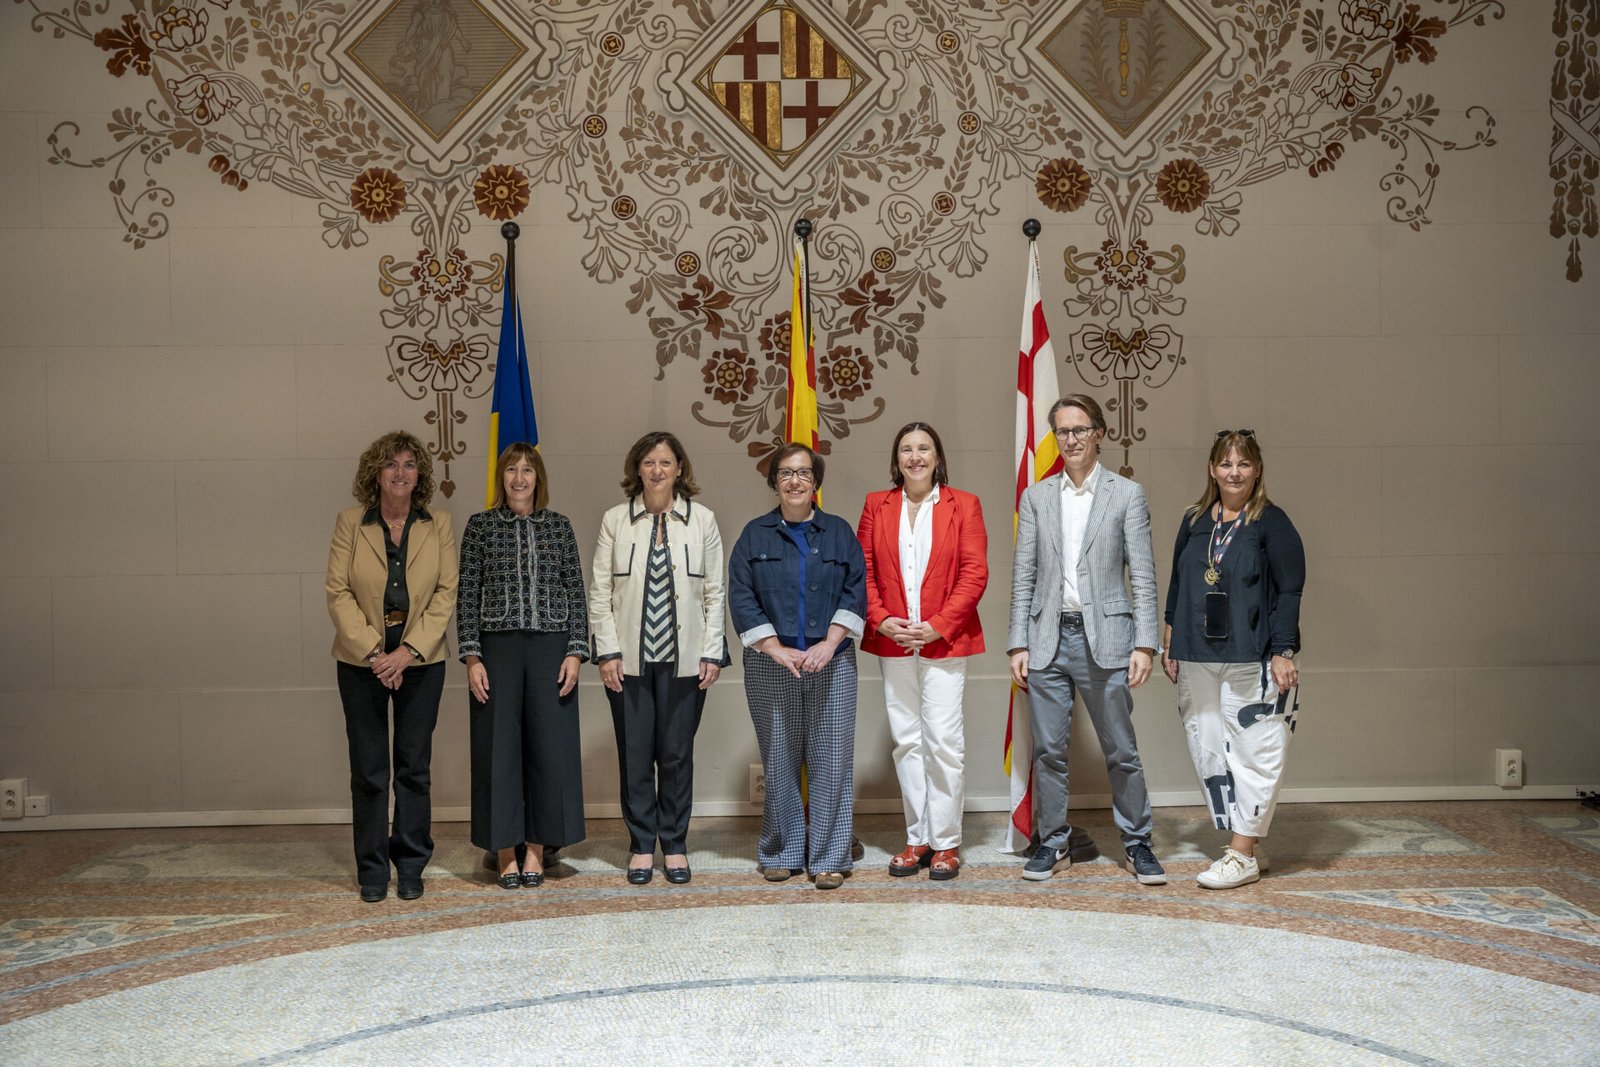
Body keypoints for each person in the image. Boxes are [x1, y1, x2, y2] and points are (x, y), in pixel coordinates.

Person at [1007, 394, 1166, 885]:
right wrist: (1018, 642)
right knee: (1049, 752)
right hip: (1047, 640)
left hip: (1109, 640)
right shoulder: (1037, 497)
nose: (1071, 439)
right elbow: (1024, 576)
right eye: (1062, 431)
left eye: (1079, 429)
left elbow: (1143, 575)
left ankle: (1138, 844)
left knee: (1122, 751)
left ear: (1098, 433)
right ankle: (1054, 843)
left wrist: (1145, 644)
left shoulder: (1127, 494)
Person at [1161, 430, 1304, 889]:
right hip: (1197, 655)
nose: (1234, 472)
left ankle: (1241, 854)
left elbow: (1290, 589)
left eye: (1243, 464)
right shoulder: (1194, 519)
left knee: (1256, 750)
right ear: (1212, 469)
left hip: (1252, 655)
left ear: (1257, 470)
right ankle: (1247, 843)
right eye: (1226, 463)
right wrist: (1170, 634)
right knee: (1209, 751)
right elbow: (1179, 581)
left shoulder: (1271, 521)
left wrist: (1283, 650)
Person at [590, 431, 728, 885]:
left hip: (685, 661)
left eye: (665, 462)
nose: (657, 470)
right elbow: (600, 593)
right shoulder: (615, 520)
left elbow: (714, 592)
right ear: (637, 469)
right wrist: (607, 651)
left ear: (679, 469)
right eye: (648, 462)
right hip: (628, 661)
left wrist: (711, 651)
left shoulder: (702, 520)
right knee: (635, 755)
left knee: (676, 755)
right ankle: (640, 845)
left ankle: (674, 844)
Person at [325, 431, 458, 903]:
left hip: (422, 663)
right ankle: (372, 869)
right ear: (375, 473)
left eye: (409, 464)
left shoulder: (438, 524)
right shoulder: (351, 522)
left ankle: (411, 864)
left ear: (420, 475)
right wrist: (376, 655)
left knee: (413, 768)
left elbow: (446, 593)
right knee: (369, 770)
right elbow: (338, 592)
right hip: (361, 664)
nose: (400, 473)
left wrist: (408, 652)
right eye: (390, 464)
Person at [728, 444, 866, 890]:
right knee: (779, 757)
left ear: (816, 482)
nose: (795, 481)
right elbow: (741, 595)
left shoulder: (839, 532)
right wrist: (773, 646)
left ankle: (828, 857)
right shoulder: (754, 535)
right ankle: (781, 852)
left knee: (832, 760)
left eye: (804, 473)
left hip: (832, 663)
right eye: (786, 473)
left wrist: (830, 643)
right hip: (771, 665)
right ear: (774, 482)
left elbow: (856, 590)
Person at [858, 422, 987, 881]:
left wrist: (937, 626)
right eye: (906, 449)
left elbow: (974, 573)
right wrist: (880, 619)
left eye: (924, 448)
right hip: (892, 642)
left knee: (944, 743)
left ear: (937, 457)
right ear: (897, 460)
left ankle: (946, 842)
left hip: (945, 643)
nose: (915, 457)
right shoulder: (876, 504)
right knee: (907, 742)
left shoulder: (964, 505)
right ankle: (918, 838)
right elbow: (863, 570)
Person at [458, 443, 589, 889]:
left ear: (538, 478)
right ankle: (503, 851)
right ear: (501, 477)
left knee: (549, 749)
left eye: (527, 470)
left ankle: (536, 848)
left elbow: (575, 591)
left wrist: (575, 651)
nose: (519, 478)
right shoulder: (480, 527)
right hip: (497, 651)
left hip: (552, 649)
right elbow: (467, 594)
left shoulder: (559, 526)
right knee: (497, 750)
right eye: (511, 470)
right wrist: (472, 656)